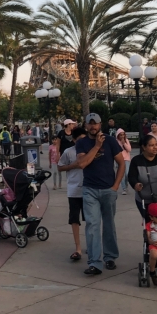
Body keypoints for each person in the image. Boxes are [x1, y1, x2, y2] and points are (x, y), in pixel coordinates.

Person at [76, 113, 126, 275]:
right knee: (92, 225)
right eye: (90, 124)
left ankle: (110, 257)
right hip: (90, 189)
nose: (93, 127)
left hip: (108, 189)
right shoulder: (82, 143)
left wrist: (116, 185)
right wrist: (96, 146)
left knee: (109, 225)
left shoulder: (111, 141)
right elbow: (82, 164)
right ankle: (94, 262)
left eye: (95, 123)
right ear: (86, 125)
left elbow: (121, 163)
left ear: (100, 124)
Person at [57, 126, 87, 261]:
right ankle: (78, 248)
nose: (82, 142)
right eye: (79, 139)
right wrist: (74, 165)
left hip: (89, 190)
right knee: (75, 219)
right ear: (74, 140)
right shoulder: (68, 152)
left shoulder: (91, 150)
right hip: (74, 190)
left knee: (91, 220)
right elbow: (60, 167)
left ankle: (91, 245)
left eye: (84, 139)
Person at [114, 129, 132, 194]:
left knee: (127, 173)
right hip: (119, 159)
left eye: (123, 134)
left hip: (126, 159)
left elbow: (129, 149)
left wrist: (124, 143)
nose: (122, 136)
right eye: (120, 135)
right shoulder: (116, 142)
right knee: (122, 174)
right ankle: (124, 188)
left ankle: (126, 185)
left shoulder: (126, 141)